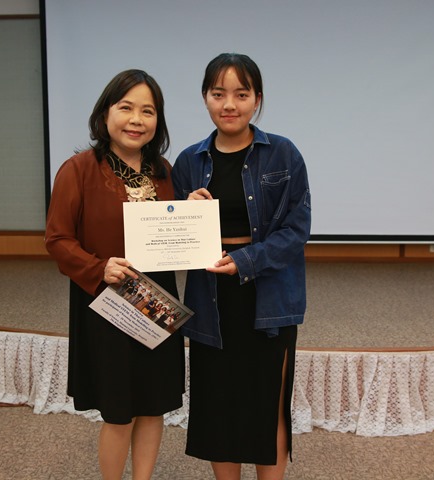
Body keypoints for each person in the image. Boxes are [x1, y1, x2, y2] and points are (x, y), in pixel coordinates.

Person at [171, 53, 311, 480]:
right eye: (218, 94)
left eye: (241, 94)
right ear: (205, 98)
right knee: (218, 406)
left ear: (257, 99)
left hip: (269, 295)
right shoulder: (188, 161)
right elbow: (172, 241)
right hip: (210, 298)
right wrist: (183, 213)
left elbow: (296, 229)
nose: (229, 104)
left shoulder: (283, 153)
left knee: (268, 403)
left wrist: (245, 261)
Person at [45, 69, 185, 480]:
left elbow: (177, 230)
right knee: (119, 413)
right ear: (105, 113)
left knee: (154, 406)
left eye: (148, 111)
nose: (136, 120)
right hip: (107, 306)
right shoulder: (79, 169)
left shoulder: (164, 171)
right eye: (126, 108)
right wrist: (97, 267)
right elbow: (57, 239)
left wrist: (193, 212)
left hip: (157, 303)